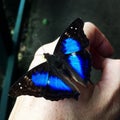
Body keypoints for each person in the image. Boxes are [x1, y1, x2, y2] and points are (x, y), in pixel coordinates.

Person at [9, 22, 120, 120]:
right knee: (77, 60)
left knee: (68, 75)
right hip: (71, 61)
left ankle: (74, 88)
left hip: (57, 77)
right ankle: (80, 81)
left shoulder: (40, 70)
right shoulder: (59, 50)